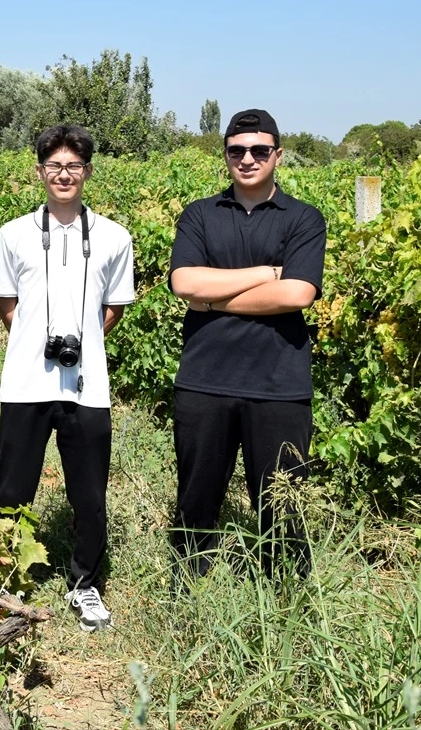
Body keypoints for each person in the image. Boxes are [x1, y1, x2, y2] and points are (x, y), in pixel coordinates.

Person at [168, 108, 326, 581]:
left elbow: (297, 294)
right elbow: (184, 283)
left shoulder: (304, 218)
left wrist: (213, 301)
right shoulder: (199, 214)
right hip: (204, 380)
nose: (248, 158)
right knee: (196, 498)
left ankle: (286, 595)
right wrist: (264, 274)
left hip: (279, 384)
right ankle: (187, 592)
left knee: (283, 502)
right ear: (225, 155)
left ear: (278, 155)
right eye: (237, 150)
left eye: (259, 150)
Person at [0, 124, 135, 631]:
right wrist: (39, 341)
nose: (64, 174)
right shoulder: (13, 234)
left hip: (87, 386)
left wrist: (81, 341)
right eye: (55, 165)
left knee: (90, 496)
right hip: (25, 382)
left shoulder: (115, 237)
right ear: (39, 172)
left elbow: (114, 308)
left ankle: (85, 584)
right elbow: (8, 307)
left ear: (88, 172)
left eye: (74, 165)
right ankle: (3, 577)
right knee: (12, 490)